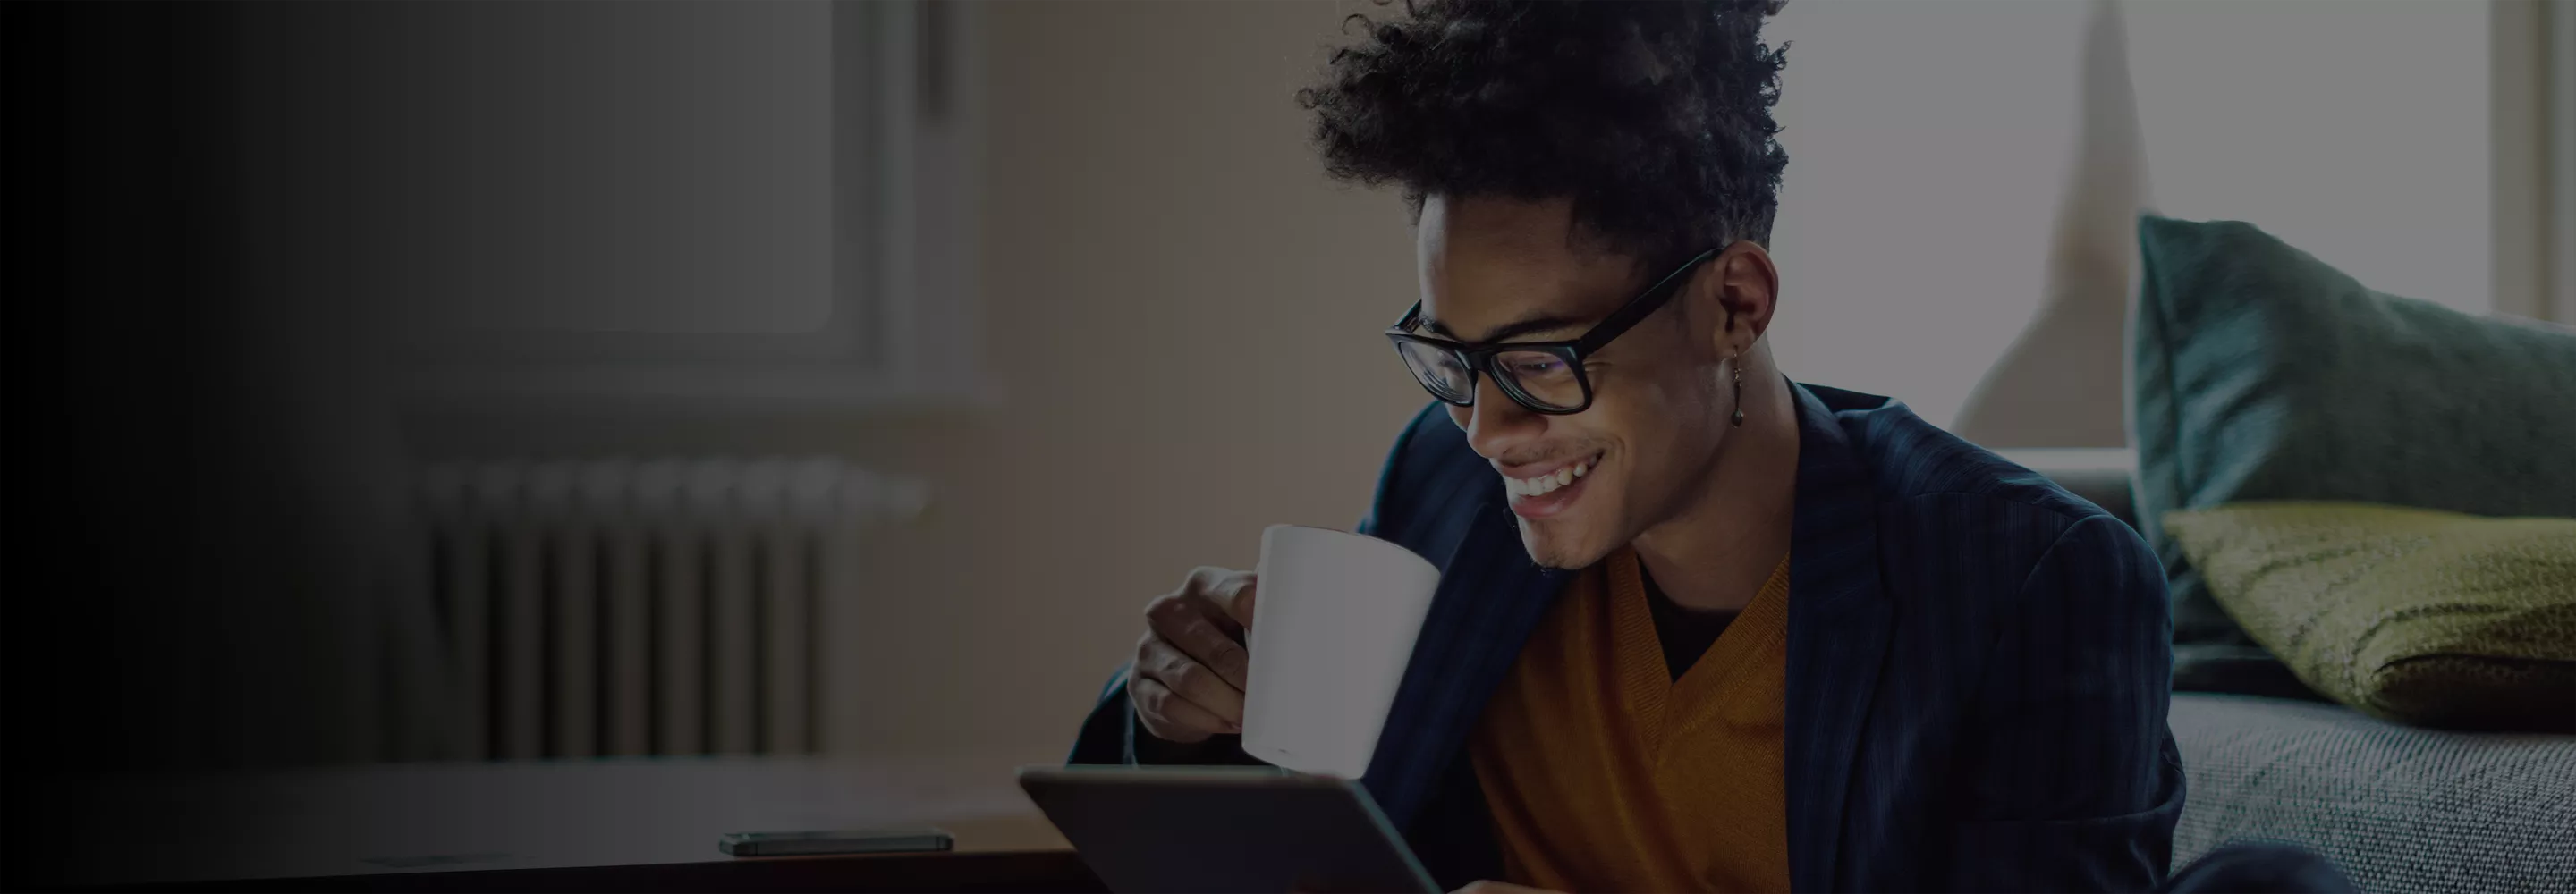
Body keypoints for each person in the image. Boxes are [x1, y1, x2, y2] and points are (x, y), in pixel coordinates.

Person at [1070, 2, 2355, 892]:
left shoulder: (2034, 582)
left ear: (1736, 303)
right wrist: (1183, 721)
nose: (1487, 427)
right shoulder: (1441, 491)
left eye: (1540, 360)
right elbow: (1291, 822)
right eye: (1450, 356)